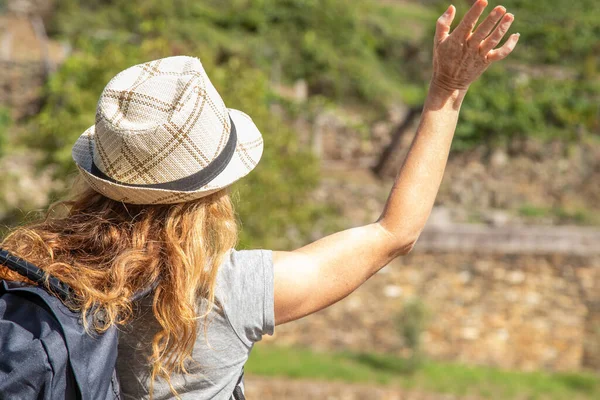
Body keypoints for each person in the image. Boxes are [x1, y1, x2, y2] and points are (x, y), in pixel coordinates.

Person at [0, 0, 518, 399]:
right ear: (212, 194)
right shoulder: (226, 294)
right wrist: (447, 91)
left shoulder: (37, 272)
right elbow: (394, 233)